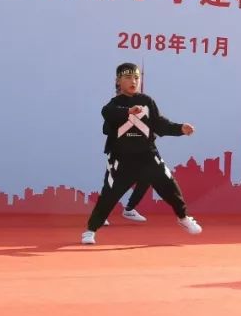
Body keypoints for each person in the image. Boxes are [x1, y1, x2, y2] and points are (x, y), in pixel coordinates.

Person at [82, 62, 202, 244]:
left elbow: (160, 124)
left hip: (147, 155)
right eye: (128, 77)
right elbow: (108, 113)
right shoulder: (113, 105)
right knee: (109, 195)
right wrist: (128, 112)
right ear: (118, 81)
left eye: (136, 78)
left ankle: (183, 217)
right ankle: (91, 230)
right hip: (122, 159)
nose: (133, 81)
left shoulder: (147, 101)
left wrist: (180, 129)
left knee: (169, 185)